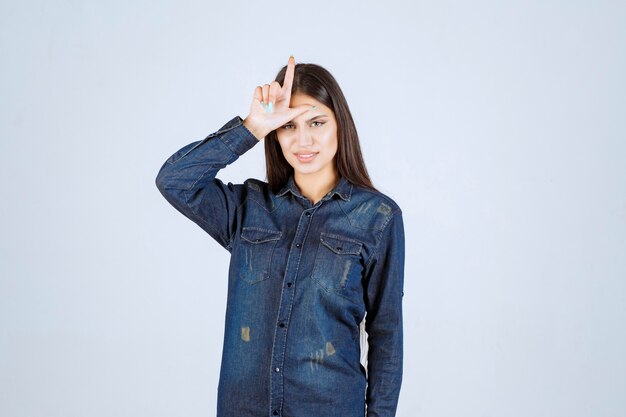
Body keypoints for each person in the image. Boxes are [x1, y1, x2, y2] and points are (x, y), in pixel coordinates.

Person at [155, 55, 405, 417]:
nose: (303, 140)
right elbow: (174, 181)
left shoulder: (378, 217)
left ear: (340, 126)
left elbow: (387, 335)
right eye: (288, 126)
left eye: (316, 122)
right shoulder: (248, 208)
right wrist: (251, 126)